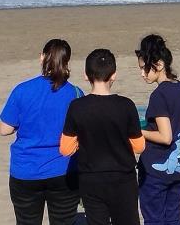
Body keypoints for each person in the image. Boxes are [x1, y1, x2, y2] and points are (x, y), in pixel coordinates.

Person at [0, 39, 82, 225]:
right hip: (64, 171)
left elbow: (5, 129)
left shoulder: (22, 90)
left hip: (26, 171)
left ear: (42, 58)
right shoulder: (76, 93)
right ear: (66, 62)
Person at [60, 49, 144, 225]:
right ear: (113, 75)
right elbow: (139, 147)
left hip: (91, 179)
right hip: (123, 178)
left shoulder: (77, 107)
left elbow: (65, 149)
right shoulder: (126, 105)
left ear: (86, 75)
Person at [136, 35, 180, 224]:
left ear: (158, 65)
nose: (142, 74)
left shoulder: (159, 95)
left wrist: (138, 131)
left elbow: (166, 136)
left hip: (156, 171)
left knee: (154, 218)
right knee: (173, 217)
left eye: (144, 68)